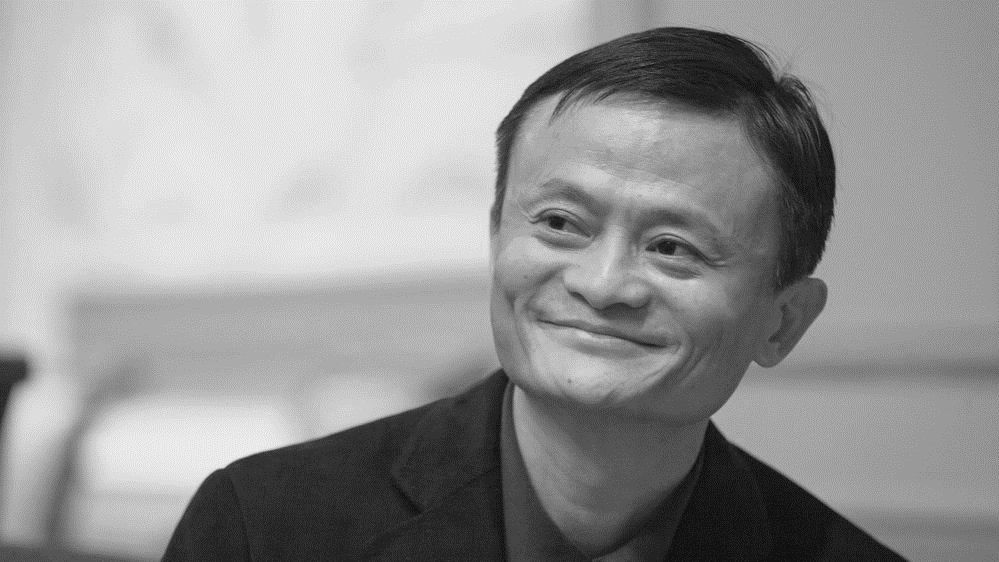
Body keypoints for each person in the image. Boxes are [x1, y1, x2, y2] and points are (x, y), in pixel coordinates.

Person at [162, 27, 906, 561]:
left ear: (782, 323)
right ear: (495, 238)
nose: (603, 284)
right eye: (559, 224)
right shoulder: (264, 528)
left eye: (672, 247)